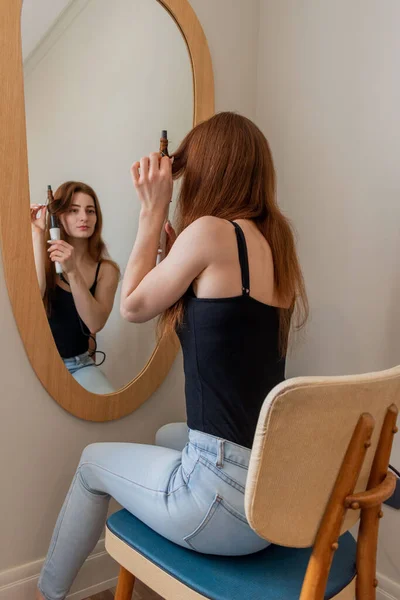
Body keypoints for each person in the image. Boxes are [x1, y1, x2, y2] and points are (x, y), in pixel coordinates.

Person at [36, 112, 308, 600]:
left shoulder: (209, 231)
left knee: (91, 462)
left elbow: (132, 305)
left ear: (208, 170)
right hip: (271, 496)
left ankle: (46, 595)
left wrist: (151, 211)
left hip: (222, 506)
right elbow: (221, 326)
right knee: (167, 435)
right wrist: (173, 251)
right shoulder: (275, 242)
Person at [31, 181, 120, 394]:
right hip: (36, 366)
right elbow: (34, 302)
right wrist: (36, 235)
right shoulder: (40, 259)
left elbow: (95, 324)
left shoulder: (106, 270)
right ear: (57, 216)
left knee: (104, 405)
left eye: (90, 211)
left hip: (79, 365)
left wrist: (72, 271)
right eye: (73, 210)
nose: (84, 218)